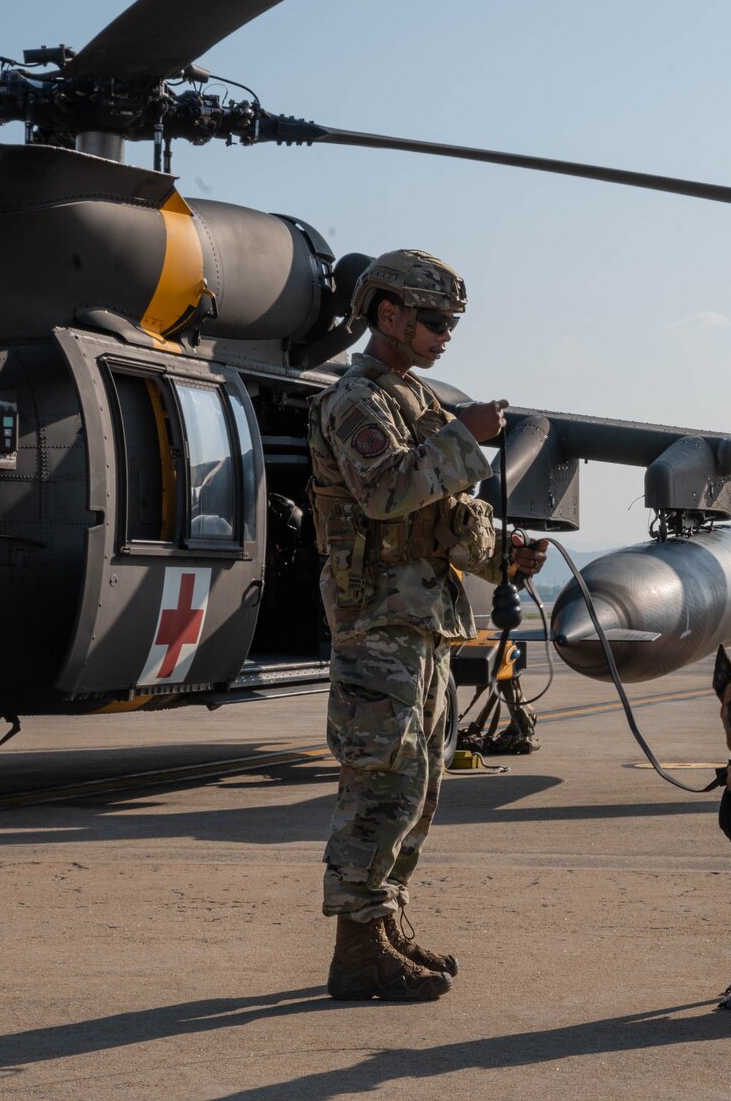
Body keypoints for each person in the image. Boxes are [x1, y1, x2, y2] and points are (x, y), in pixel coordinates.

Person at [306, 249, 547, 1001]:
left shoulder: (415, 402)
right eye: (436, 321)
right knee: (382, 779)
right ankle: (355, 949)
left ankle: (385, 921)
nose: (446, 335)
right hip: (377, 622)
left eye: (450, 323)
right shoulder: (355, 402)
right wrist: (467, 437)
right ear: (389, 316)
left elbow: (440, 516)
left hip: (423, 623)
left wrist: (502, 555)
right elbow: (385, 493)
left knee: (420, 782)